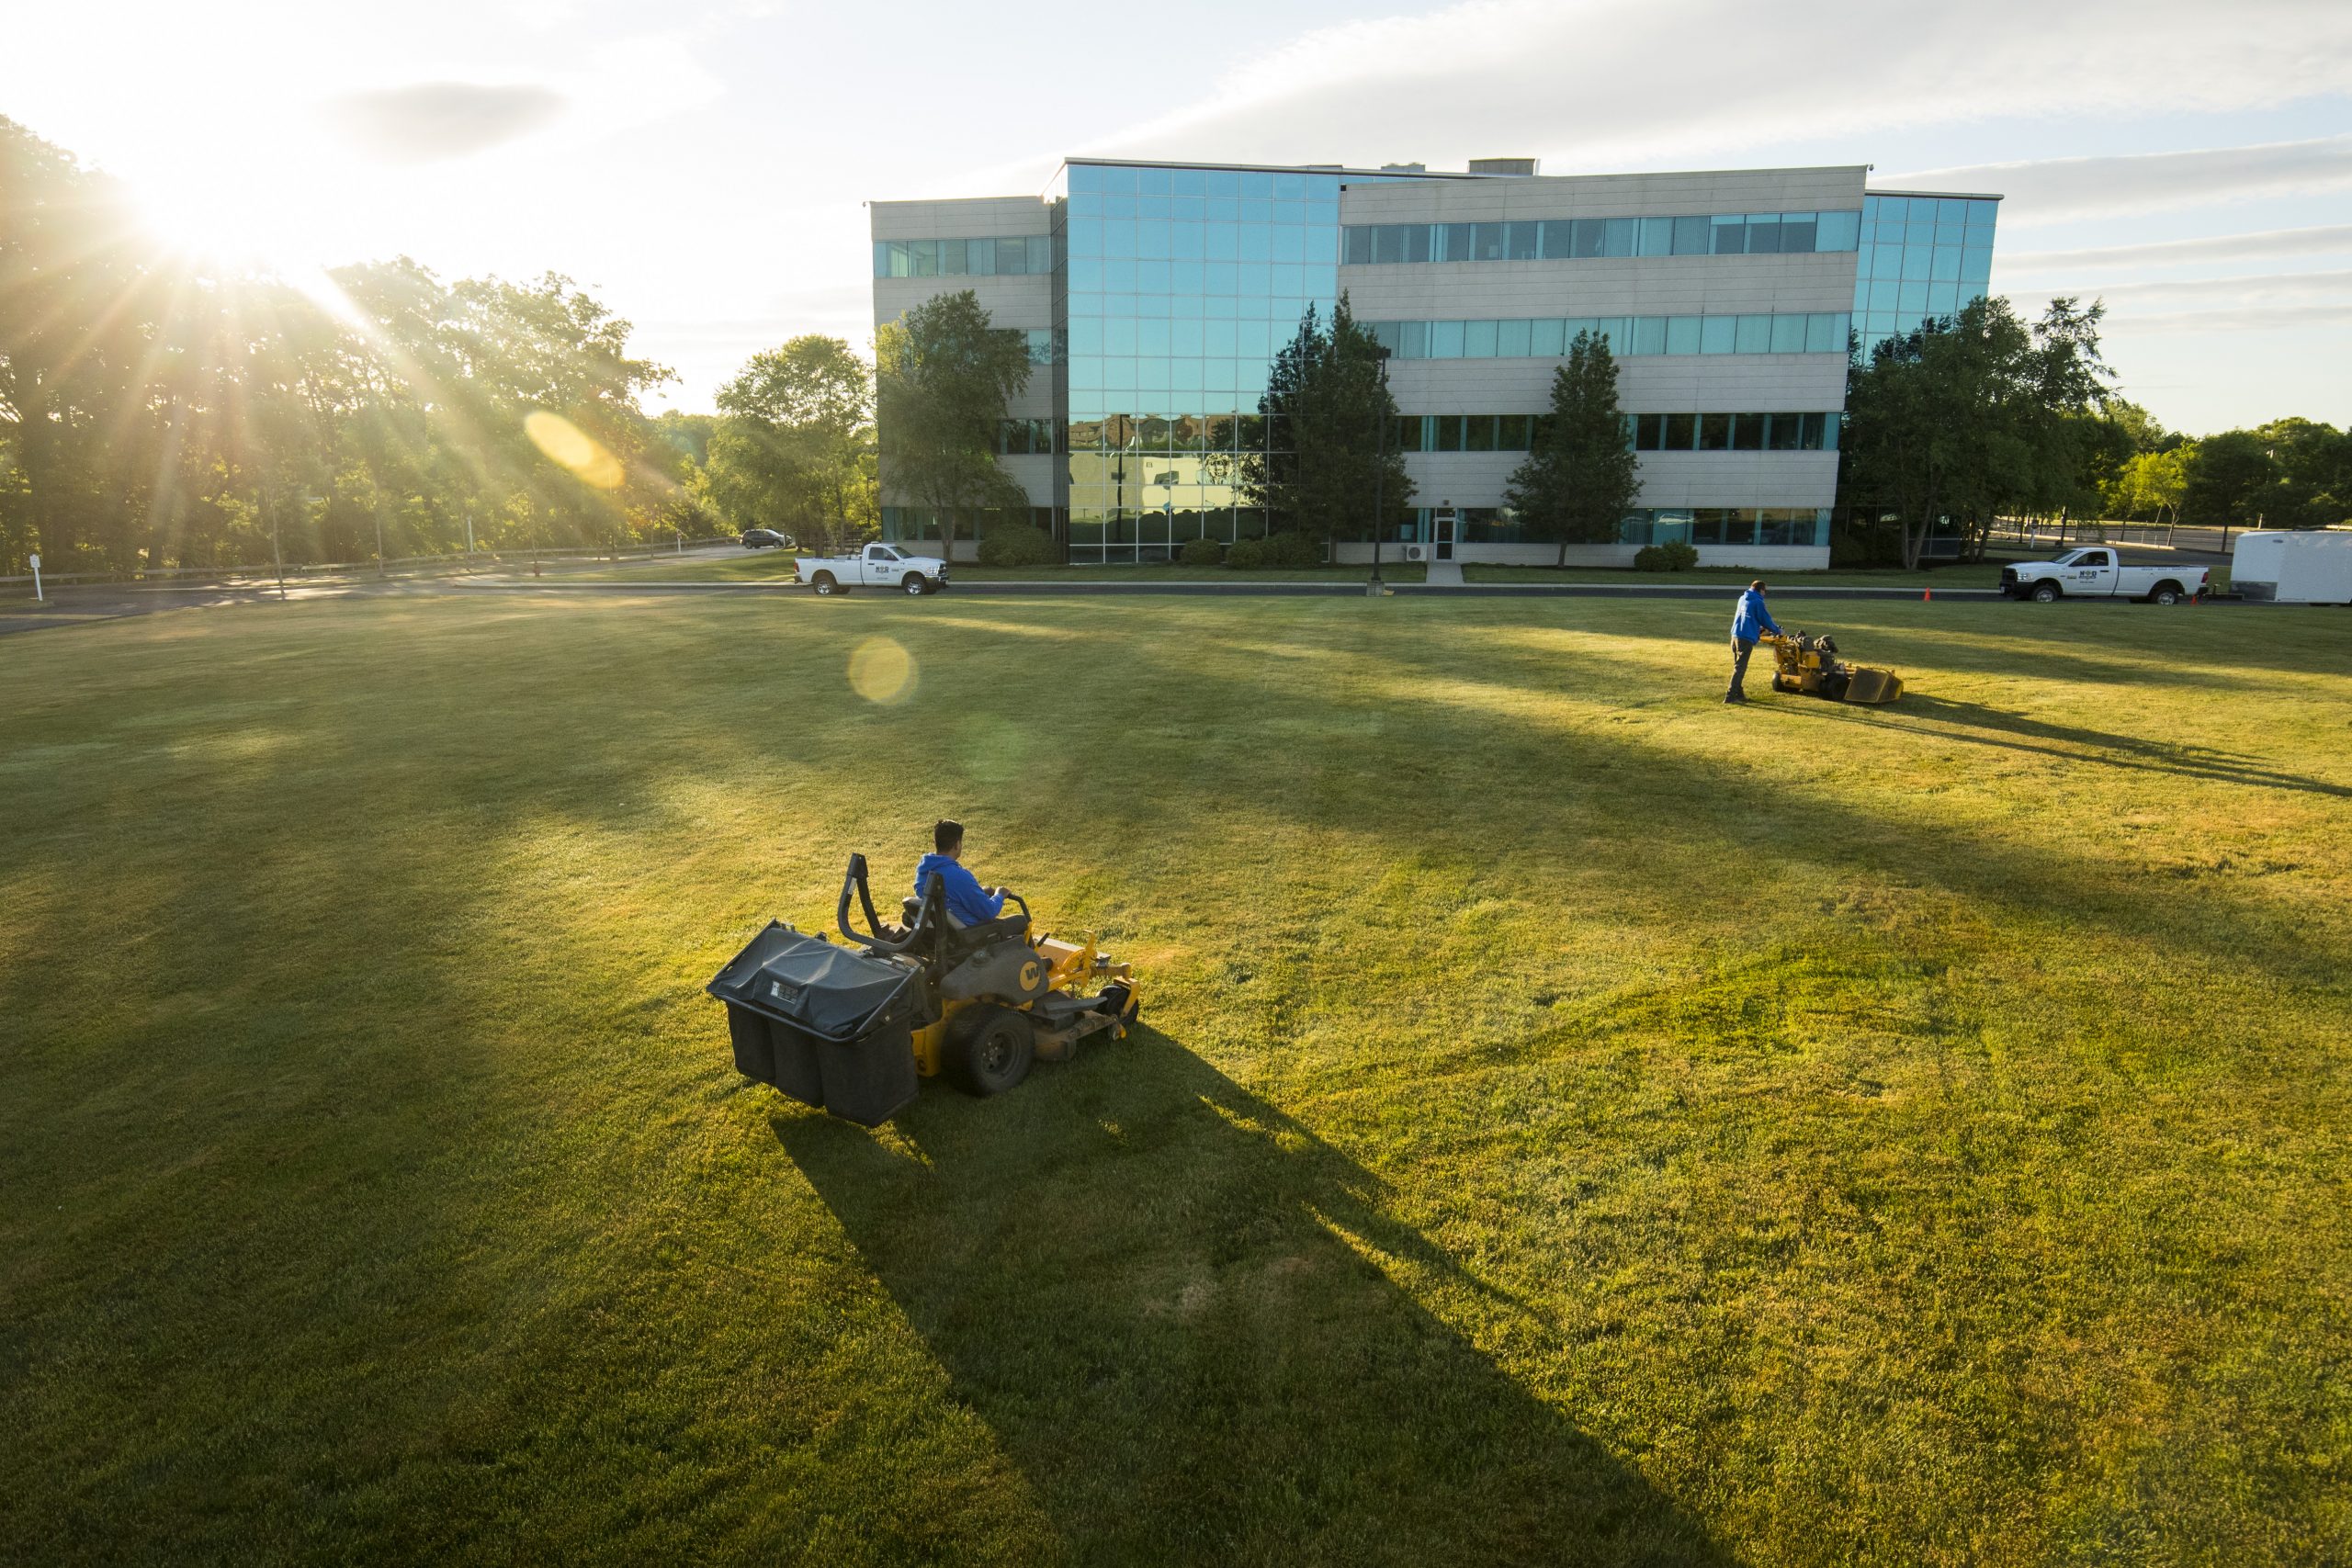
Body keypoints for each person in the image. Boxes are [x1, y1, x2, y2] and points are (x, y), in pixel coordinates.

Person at [913, 818, 1007, 926]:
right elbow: (989, 912)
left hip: (936, 934)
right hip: (968, 936)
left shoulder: (923, 872)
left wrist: (981, 892)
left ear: (936, 843)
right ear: (957, 844)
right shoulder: (958, 876)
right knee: (1019, 921)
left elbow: (952, 899)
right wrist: (1000, 894)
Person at [1726, 579, 1783, 704]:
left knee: (1738, 667)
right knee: (1740, 668)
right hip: (1745, 639)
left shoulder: (1743, 598)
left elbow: (1747, 618)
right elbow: (1766, 620)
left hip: (1735, 635)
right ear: (1761, 590)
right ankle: (1730, 697)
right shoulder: (1758, 602)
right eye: (1765, 591)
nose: (1765, 593)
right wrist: (1777, 631)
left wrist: (1758, 628)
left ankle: (1739, 695)